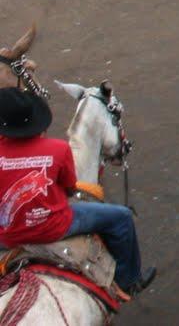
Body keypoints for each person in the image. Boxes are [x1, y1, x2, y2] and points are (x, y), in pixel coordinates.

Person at [0, 88, 156, 296]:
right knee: (121, 217)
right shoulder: (58, 149)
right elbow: (70, 188)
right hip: (54, 228)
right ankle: (128, 281)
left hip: (7, 235)